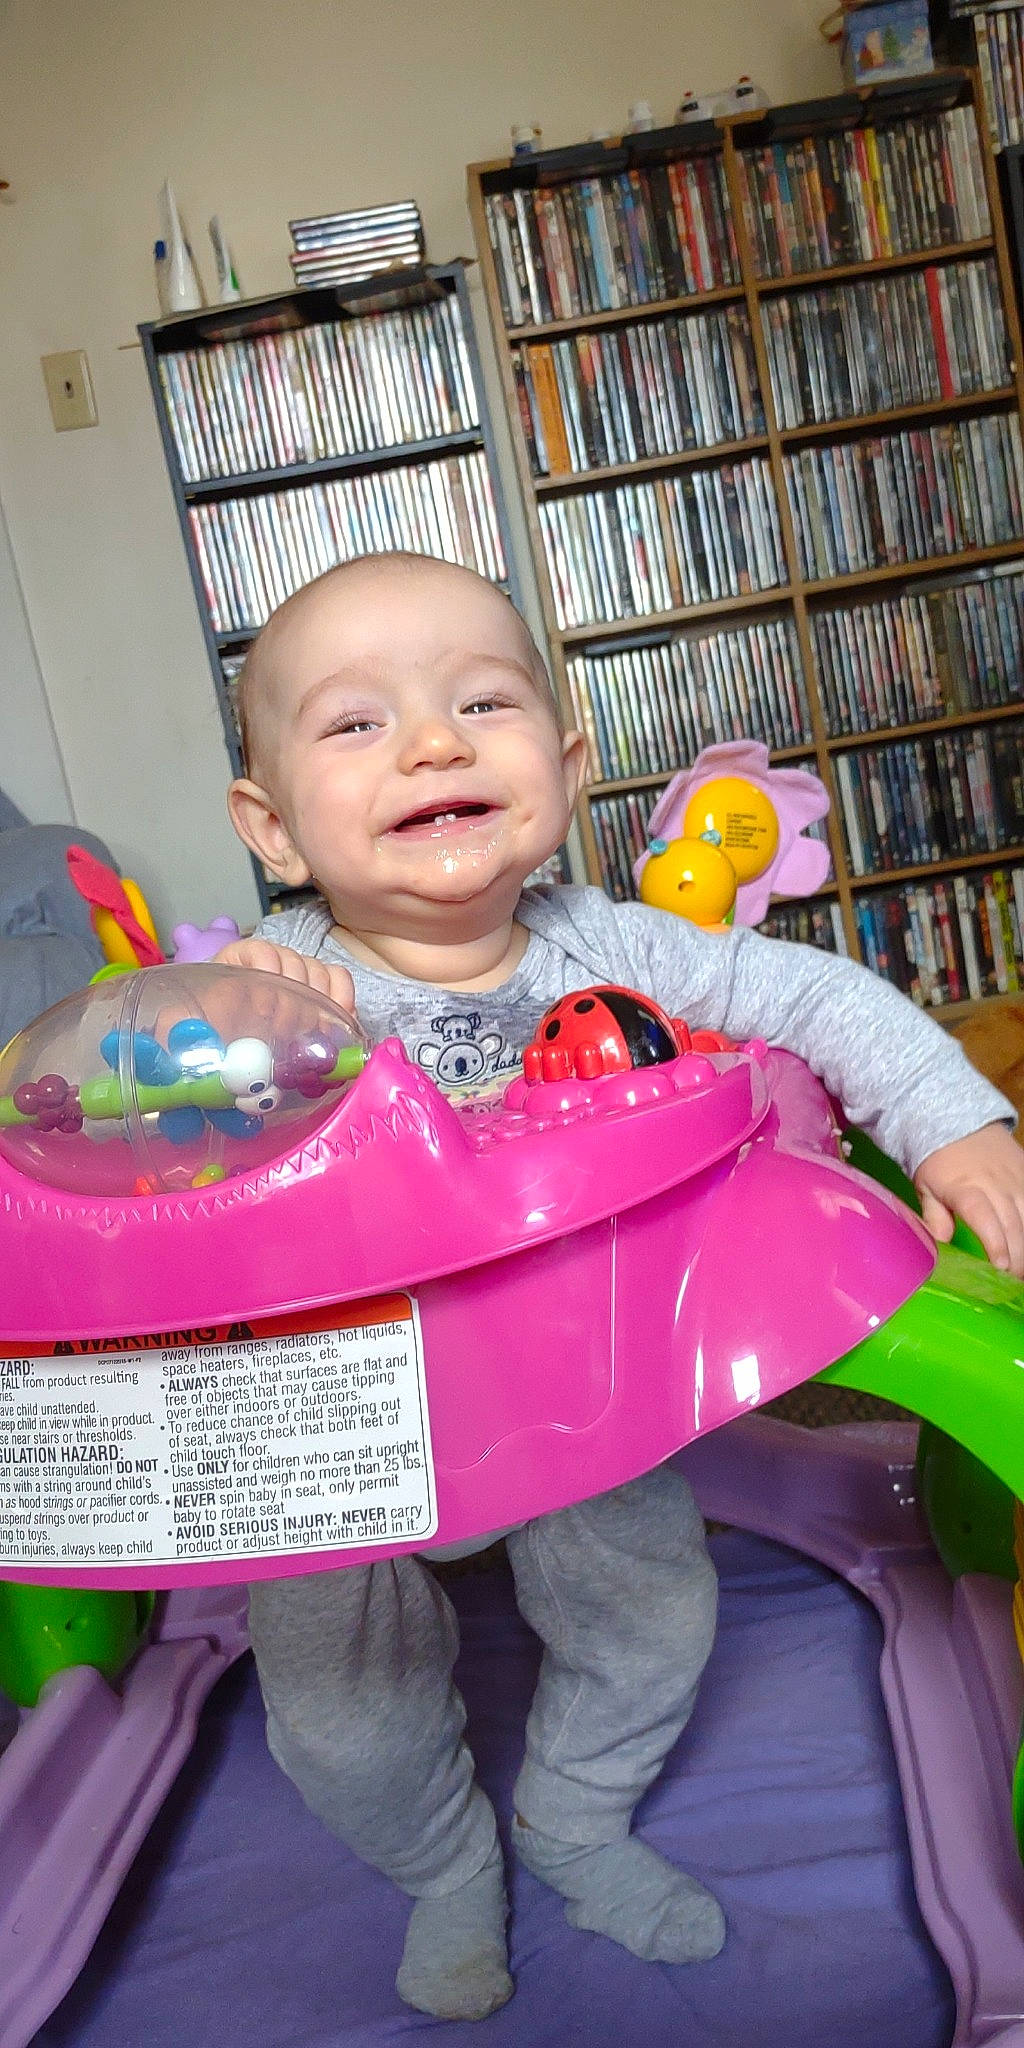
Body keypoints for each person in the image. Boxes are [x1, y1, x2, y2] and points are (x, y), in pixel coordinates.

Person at [215, 550, 1024, 2021]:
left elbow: (819, 997)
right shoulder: (267, 983)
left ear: (569, 766)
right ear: (272, 829)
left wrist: (954, 1118)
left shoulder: (609, 944)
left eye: (482, 701)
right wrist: (245, 1043)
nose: (434, 742)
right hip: (341, 1410)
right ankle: (445, 1862)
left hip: (577, 1385)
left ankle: (573, 1818)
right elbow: (146, 1152)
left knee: (654, 1610)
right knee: (334, 1707)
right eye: (355, 724)